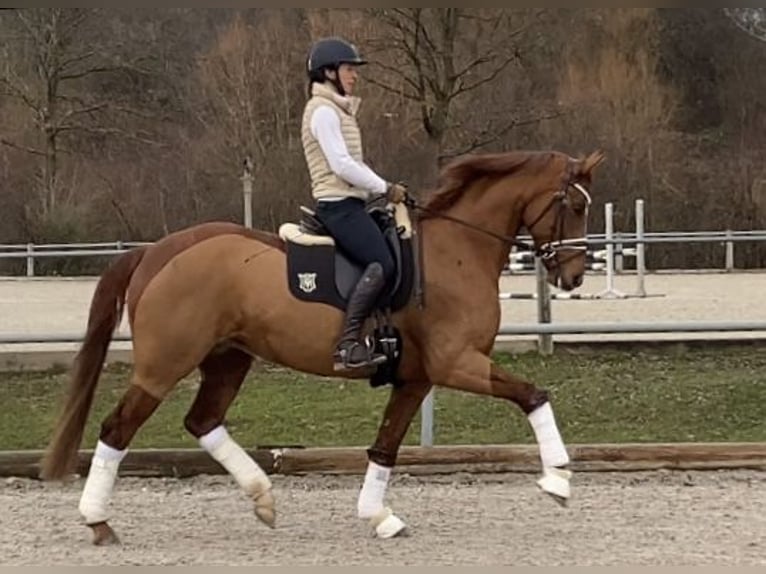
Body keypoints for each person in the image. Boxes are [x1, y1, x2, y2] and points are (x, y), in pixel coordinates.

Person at [301, 36, 407, 371]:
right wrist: (385, 187)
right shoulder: (322, 112)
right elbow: (342, 164)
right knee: (382, 263)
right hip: (337, 205)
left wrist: (380, 187)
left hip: (351, 202)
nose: (355, 76)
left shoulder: (336, 110)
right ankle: (347, 344)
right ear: (329, 72)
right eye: (349, 69)